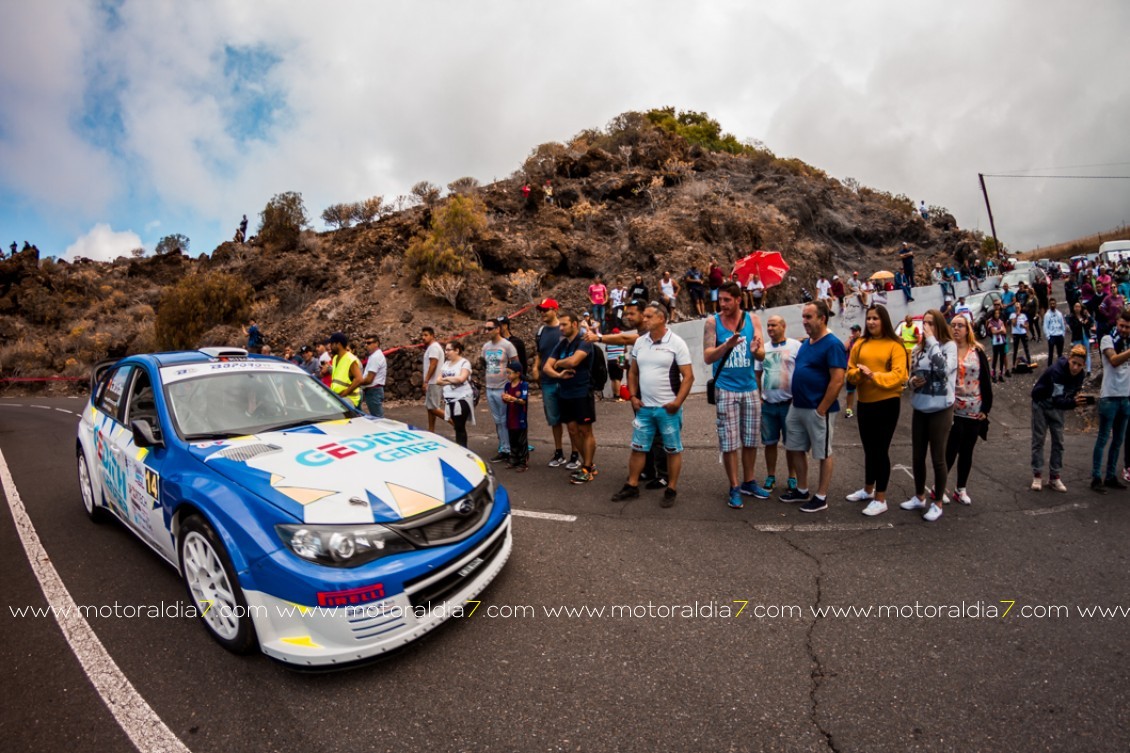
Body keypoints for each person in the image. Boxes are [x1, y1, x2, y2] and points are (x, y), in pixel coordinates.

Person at [610, 302, 694, 507]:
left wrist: (677, 402)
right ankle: (632, 485)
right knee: (638, 448)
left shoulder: (677, 343)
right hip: (644, 408)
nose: (644, 319)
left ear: (661, 319)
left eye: (648, 316)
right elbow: (633, 372)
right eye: (644, 316)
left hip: (668, 409)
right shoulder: (640, 342)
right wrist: (632, 396)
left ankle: (671, 488)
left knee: (672, 449)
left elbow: (688, 376)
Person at [703, 282, 767, 508]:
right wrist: (726, 346)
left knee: (750, 439)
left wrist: (756, 350)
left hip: (750, 388)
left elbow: (761, 355)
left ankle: (749, 481)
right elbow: (708, 357)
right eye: (720, 300)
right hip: (725, 388)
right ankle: (734, 486)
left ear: (738, 299)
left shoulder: (753, 320)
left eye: (727, 300)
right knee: (729, 442)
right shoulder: (713, 322)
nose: (722, 304)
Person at [781, 301, 846, 513]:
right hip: (798, 405)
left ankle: (821, 496)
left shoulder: (833, 344)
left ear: (822, 318)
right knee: (795, 447)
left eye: (809, 317)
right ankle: (801, 489)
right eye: (803, 317)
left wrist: (822, 409)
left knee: (823, 452)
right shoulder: (807, 343)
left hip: (818, 408)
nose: (804, 321)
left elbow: (837, 380)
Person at [844, 305, 908, 516]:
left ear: (884, 321)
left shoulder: (895, 345)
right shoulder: (860, 344)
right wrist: (859, 376)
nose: (871, 322)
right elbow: (850, 372)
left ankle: (881, 498)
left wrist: (873, 376)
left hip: (887, 403)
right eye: (869, 318)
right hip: (865, 403)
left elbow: (899, 376)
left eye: (876, 319)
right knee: (869, 448)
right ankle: (868, 490)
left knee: (880, 450)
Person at [900, 310, 957, 522]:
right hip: (920, 406)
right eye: (924, 323)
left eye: (931, 323)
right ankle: (919, 496)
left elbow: (944, 370)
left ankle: (938, 502)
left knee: (938, 457)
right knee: (917, 455)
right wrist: (911, 383)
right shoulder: (917, 349)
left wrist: (932, 340)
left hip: (941, 408)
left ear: (939, 325)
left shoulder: (948, 346)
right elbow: (911, 376)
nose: (926, 327)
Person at [944, 315, 994, 505]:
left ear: (968, 329)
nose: (956, 329)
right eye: (953, 325)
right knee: (950, 450)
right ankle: (940, 487)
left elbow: (986, 380)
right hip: (952, 408)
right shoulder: (947, 350)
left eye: (960, 326)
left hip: (974, 408)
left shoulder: (978, 351)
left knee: (967, 451)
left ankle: (960, 489)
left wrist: (986, 409)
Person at [544, 312, 598, 484]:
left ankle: (587, 468)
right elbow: (546, 367)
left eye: (564, 325)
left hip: (581, 392)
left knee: (585, 431)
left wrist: (558, 364)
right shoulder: (561, 344)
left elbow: (574, 362)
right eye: (560, 325)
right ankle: (587, 464)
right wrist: (559, 376)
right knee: (573, 430)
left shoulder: (584, 341)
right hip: (565, 392)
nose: (560, 328)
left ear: (575, 324)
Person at [1030, 346, 1088, 492]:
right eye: (1073, 363)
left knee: (1059, 442)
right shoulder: (1058, 371)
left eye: (1079, 365)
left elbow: (1072, 392)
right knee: (1039, 439)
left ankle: (1054, 477)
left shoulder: (1081, 375)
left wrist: (1077, 398)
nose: (1075, 367)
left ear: (1083, 365)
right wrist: (1074, 403)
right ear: (1069, 360)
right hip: (1042, 403)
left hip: (1059, 407)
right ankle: (1037, 475)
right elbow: (1057, 399)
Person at [756, 315, 801, 495]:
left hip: (789, 403)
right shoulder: (763, 349)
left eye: (774, 325)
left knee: (791, 444)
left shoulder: (795, 346)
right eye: (768, 325)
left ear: (783, 326)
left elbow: (801, 372)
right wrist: (759, 397)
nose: (770, 328)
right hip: (768, 404)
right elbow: (757, 374)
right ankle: (771, 476)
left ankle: (792, 477)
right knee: (770, 443)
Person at [1091, 310, 1130, 493]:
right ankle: (1096, 477)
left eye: (1127, 327)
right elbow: (1113, 360)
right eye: (1121, 326)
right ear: (1117, 323)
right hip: (1109, 397)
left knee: (1118, 440)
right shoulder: (1107, 339)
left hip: (1125, 397)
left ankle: (1111, 476)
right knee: (1103, 438)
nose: (1123, 330)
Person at [532, 298, 572, 468]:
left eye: (546, 309)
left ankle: (575, 453)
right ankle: (558, 452)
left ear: (556, 310)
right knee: (554, 419)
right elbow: (540, 353)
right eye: (541, 310)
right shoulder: (540, 331)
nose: (542, 313)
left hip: (566, 381)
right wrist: (535, 367)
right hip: (548, 381)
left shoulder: (564, 330)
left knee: (571, 419)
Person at [482, 319, 519, 463]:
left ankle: (510, 449)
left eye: (489, 328)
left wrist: (513, 383)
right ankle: (503, 448)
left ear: (498, 329)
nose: (487, 331)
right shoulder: (485, 347)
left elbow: (516, 364)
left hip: (503, 387)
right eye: (485, 328)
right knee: (498, 420)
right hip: (490, 387)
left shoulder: (507, 345)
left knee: (505, 419)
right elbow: (485, 364)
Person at [437, 341, 474, 447]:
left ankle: (463, 449)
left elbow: (461, 378)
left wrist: (447, 379)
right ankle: (461, 449)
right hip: (450, 399)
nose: (446, 352)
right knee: (457, 426)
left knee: (459, 426)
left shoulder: (464, 363)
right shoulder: (446, 364)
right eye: (445, 350)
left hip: (462, 398)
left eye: (449, 350)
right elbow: (438, 380)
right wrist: (452, 380)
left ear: (457, 350)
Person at [502, 360, 529, 471]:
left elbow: (523, 401)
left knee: (521, 440)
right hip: (511, 416)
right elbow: (505, 400)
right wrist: (504, 398)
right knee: (512, 439)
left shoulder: (523, 385)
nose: (508, 375)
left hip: (520, 417)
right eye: (506, 373)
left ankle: (523, 462)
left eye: (509, 373)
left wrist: (512, 399)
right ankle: (514, 458)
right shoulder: (507, 385)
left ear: (517, 373)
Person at [327, 332, 363, 408]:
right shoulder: (335, 358)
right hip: (338, 398)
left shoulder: (350, 359)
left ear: (338, 344)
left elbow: (359, 379)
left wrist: (344, 394)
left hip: (348, 400)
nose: (330, 347)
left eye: (332, 344)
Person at [421, 327, 446, 432]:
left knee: (433, 407)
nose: (423, 337)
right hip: (434, 381)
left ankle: (455, 422)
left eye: (426, 335)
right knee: (430, 407)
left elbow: (433, 364)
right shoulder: (432, 347)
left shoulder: (434, 348)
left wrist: (426, 381)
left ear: (432, 336)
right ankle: (431, 430)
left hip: (433, 381)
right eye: (422, 335)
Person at [359, 335, 387, 418]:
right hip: (373, 391)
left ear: (376, 343)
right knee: (377, 417)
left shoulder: (376, 357)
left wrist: (357, 383)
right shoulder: (374, 356)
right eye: (365, 343)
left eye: (369, 343)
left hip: (373, 391)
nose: (366, 345)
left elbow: (369, 379)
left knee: (378, 419)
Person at [1067, 302, 1094, 374]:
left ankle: (1088, 370)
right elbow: (1073, 327)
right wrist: (1082, 323)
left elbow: (1091, 322)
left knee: (1087, 352)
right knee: (1077, 353)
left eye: (1079, 307)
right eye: (1076, 306)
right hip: (1077, 337)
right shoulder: (1071, 317)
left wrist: (1087, 315)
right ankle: (1078, 369)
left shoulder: (1084, 316)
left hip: (1085, 336)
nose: (1077, 308)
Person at [843, 324, 862, 418]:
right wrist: (850, 339)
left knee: (862, 390)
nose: (853, 333)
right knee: (850, 390)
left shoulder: (863, 341)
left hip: (861, 369)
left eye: (855, 331)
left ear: (860, 332)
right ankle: (849, 410)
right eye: (852, 331)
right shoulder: (851, 341)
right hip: (851, 369)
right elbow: (843, 349)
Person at [1043, 298, 1066, 365]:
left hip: (1059, 335)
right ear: (1049, 305)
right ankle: (1049, 367)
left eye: (1054, 303)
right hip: (1052, 336)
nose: (1052, 305)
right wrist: (1048, 336)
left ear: (1056, 304)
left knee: (1060, 354)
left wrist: (1063, 334)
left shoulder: (1059, 314)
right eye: (1051, 304)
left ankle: (1059, 366)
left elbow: (1062, 324)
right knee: (1051, 354)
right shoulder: (1047, 315)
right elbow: (1045, 326)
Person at [1010, 302, 1031, 370]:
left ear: (1020, 308)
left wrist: (1024, 326)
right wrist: (1016, 316)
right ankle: (1013, 365)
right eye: (1016, 307)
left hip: (1023, 333)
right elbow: (1014, 324)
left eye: (1018, 307)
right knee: (1015, 350)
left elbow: (1027, 325)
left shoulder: (1024, 316)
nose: (1017, 309)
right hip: (1016, 333)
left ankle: (1029, 364)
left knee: (1026, 349)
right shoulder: (1012, 315)